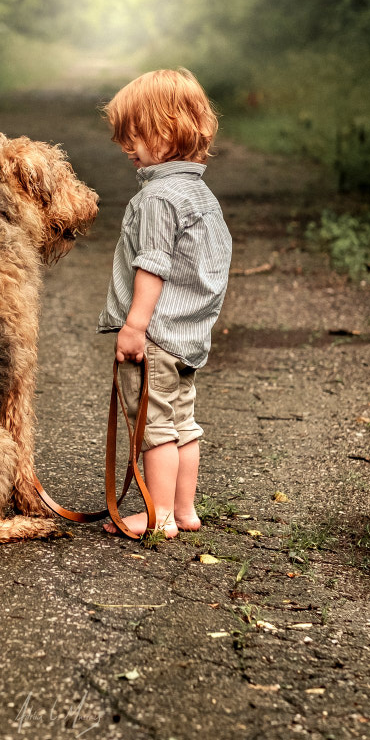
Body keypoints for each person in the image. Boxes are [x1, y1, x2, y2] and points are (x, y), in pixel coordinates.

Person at [97, 68, 232, 537]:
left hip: (154, 336)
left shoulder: (157, 198)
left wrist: (134, 326)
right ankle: (184, 509)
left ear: (163, 130)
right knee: (182, 423)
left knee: (153, 427)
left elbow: (152, 265)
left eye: (133, 136)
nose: (126, 148)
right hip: (187, 337)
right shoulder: (201, 194)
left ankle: (158, 516)